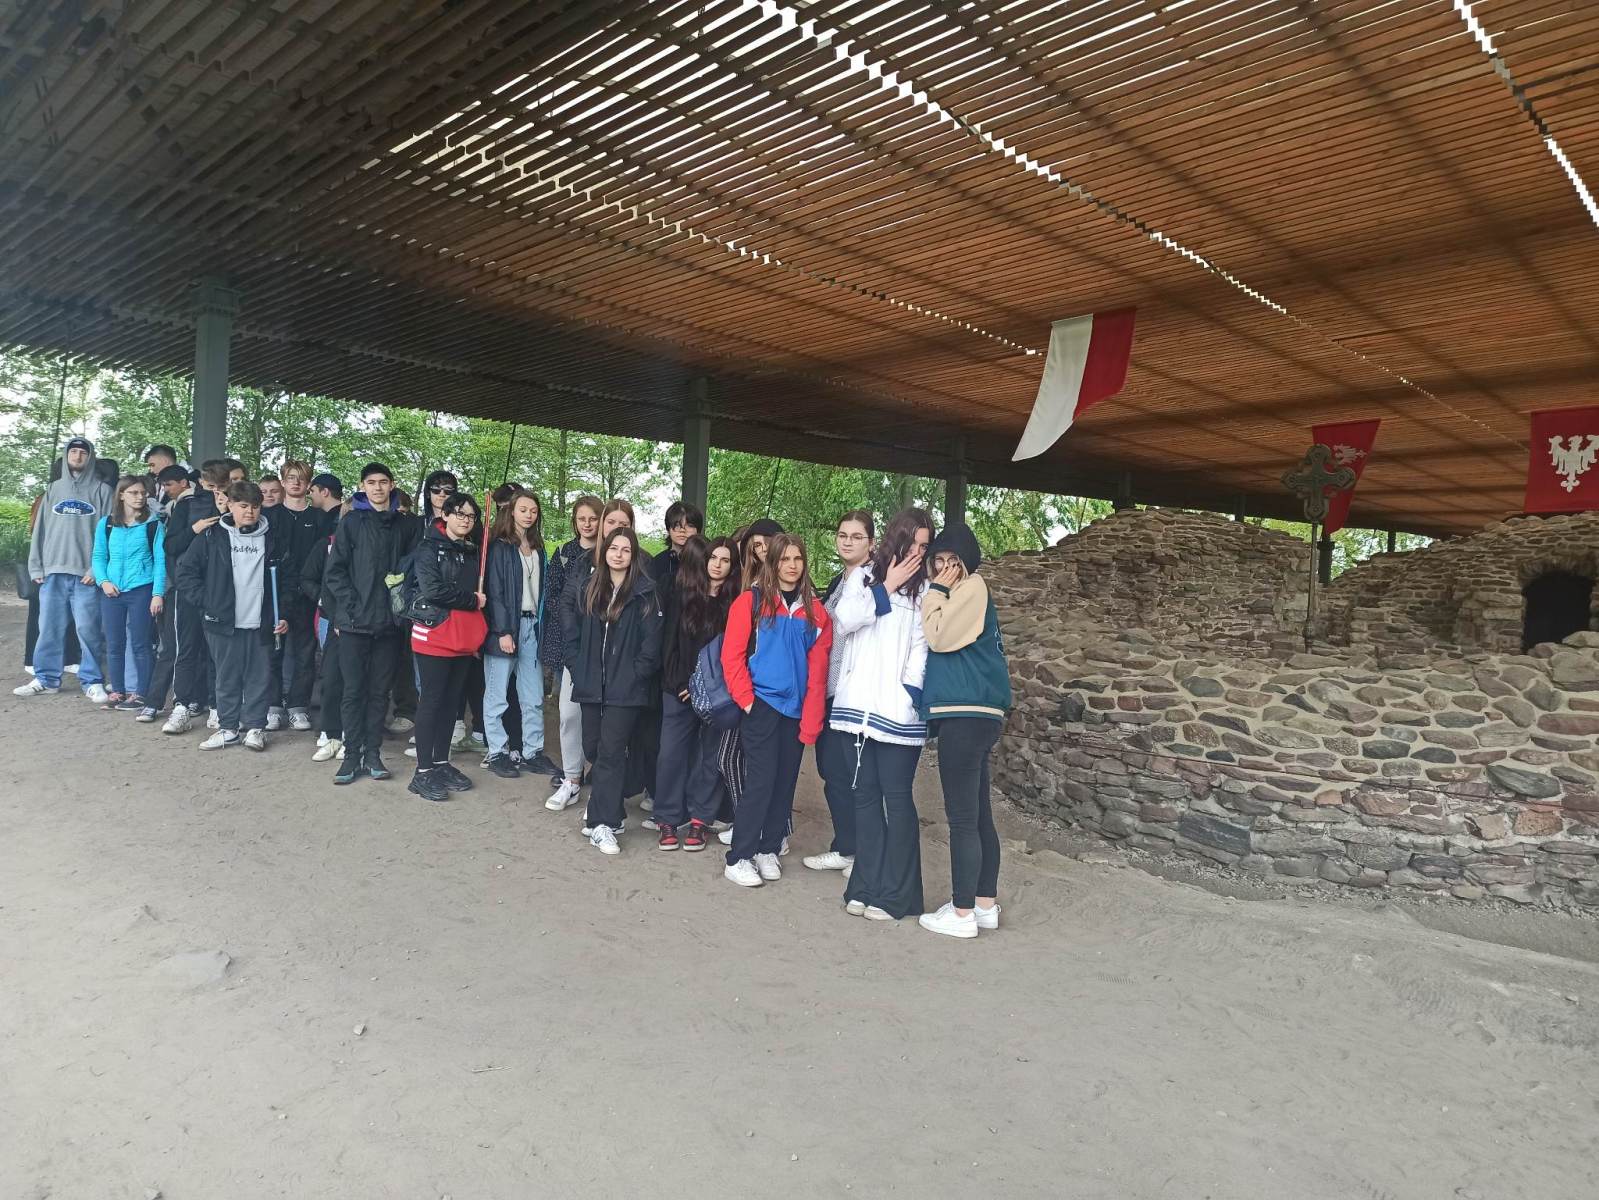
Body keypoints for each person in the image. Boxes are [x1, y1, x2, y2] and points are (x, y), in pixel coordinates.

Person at [917, 523, 1013, 938]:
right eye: (937, 562)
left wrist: (935, 590)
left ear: (966, 562)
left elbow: (938, 637)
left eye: (952, 561)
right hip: (978, 714)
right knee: (978, 814)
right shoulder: (969, 591)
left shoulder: (970, 587)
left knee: (961, 819)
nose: (944, 569)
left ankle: (960, 914)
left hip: (964, 712)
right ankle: (984, 904)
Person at [720, 533, 832, 888]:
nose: (792, 565)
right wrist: (748, 701)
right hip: (762, 706)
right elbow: (731, 656)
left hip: (795, 712)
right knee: (761, 782)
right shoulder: (750, 603)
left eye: (798, 558)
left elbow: (818, 673)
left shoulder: (816, 612)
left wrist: (811, 719)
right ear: (773, 562)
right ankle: (739, 856)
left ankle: (768, 849)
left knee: (785, 784)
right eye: (785, 559)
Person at [838, 509, 933, 921]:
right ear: (896, 538)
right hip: (854, 709)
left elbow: (922, 650)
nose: (918, 552)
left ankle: (898, 895)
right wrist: (887, 586)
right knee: (863, 799)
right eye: (913, 542)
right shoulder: (863, 578)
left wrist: (908, 697)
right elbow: (844, 621)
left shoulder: (927, 589)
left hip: (897, 714)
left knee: (897, 800)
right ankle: (865, 884)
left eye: (925, 545)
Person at [563, 526, 662, 855]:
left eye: (626, 550)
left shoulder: (645, 592)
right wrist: (577, 666)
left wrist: (636, 675)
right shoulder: (589, 587)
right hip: (591, 683)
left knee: (610, 751)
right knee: (592, 747)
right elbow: (572, 630)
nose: (618, 555)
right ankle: (613, 811)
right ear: (604, 552)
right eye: (613, 548)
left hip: (626, 688)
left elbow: (652, 642)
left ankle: (601, 824)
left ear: (634, 556)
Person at [325, 462, 421, 784]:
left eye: (383, 482)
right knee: (353, 691)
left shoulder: (406, 525)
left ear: (392, 485)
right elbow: (335, 571)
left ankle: (373, 754)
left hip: (390, 624)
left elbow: (413, 570)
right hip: (354, 623)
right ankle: (352, 755)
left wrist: (400, 606)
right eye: (371, 482)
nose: (377, 487)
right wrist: (351, 606)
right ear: (362, 486)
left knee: (380, 692)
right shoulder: (351, 522)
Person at [176, 480, 288, 751]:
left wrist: (283, 613)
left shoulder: (273, 537)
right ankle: (228, 729)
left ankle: (256, 728)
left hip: (262, 621)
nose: (250, 511)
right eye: (244, 506)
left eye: (255, 506)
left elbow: (288, 580)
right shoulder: (211, 536)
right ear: (230, 505)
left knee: (260, 677)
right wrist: (208, 602)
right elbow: (185, 572)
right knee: (226, 677)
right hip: (222, 621)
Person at [803, 509, 875, 875]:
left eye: (856, 536)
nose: (847, 541)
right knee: (832, 772)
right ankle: (847, 846)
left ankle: (866, 854)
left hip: (856, 694)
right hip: (830, 693)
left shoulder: (874, 583)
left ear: (871, 543)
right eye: (843, 535)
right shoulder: (837, 582)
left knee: (856, 775)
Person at [15, 436, 113, 704]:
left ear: (90, 457)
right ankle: (46, 679)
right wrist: (36, 565)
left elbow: (109, 534)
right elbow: (40, 531)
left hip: (86, 576)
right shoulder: (53, 490)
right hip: (53, 573)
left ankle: (92, 681)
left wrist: (97, 569)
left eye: (83, 452)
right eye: (73, 451)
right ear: (66, 455)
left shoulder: (103, 491)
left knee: (89, 631)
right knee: (47, 629)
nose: (78, 456)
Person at [654, 534, 736, 851]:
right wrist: (682, 684)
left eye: (725, 560)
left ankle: (700, 820)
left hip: (718, 696)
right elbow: (668, 645)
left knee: (710, 757)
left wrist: (714, 689)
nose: (717, 564)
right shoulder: (683, 595)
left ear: (732, 566)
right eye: (713, 557)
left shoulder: (736, 604)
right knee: (670, 755)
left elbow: (737, 653)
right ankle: (667, 818)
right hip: (680, 689)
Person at [407, 492, 489, 802]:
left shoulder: (470, 550)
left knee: (452, 704)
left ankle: (441, 762)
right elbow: (433, 590)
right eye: (460, 514)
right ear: (445, 515)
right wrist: (472, 600)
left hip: (463, 638)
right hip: (435, 633)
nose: (466, 520)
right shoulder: (428, 548)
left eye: (471, 516)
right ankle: (423, 770)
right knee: (432, 701)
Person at [483, 488, 560, 779]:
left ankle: (532, 751)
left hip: (532, 627)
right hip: (506, 627)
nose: (529, 515)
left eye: (534, 511)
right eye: (523, 509)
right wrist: (503, 630)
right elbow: (496, 591)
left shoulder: (538, 548)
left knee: (533, 696)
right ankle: (497, 751)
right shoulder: (499, 546)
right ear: (512, 511)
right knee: (497, 694)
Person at [158, 459, 230, 733]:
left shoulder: (236, 507)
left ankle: (216, 706)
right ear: (201, 483)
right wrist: (194, 529)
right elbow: (170, 546)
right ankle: (181, 706)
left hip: (221, 592)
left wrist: (225, 514)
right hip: (188, 589)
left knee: (215, 653)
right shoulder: (187, 505)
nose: (216, 493)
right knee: (186, 649)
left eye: (221, 487)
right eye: (211, 487)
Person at [541, 494, 601, 809]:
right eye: (582, 519)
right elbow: (552, 594)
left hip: (605, 647)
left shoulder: (611, 553)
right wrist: (574, 621)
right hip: (572, 645)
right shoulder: (565, 553)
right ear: (574, 522)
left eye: (593, 518)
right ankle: (572, 778)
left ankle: (601, 779)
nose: (587, 524)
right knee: (568, 714)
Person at [92, 475, 165, 711]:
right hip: (112, 591)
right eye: (134, 492)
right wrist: (103, 581)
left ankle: (141, 693)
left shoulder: (153, 524)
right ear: (121, 495)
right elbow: (98, 556)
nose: (140, 497)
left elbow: (160, 561)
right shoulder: (106, 524)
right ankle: (118, 691)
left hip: (141, 589)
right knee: (114, 643)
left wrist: (157, 593)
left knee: (141, 643)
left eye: (143, 493)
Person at [264, 459, 320, 732]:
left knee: (305, 653)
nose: (296, 483)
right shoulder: (269, 516)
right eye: (290, 478)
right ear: (283, 482)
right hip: (275, 593)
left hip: (308, 596)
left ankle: (298, 707)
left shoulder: (320, 518)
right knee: (273, 651)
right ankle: (273, 707)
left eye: (301, 478)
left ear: (308, 484)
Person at [140, 464, 194, 721]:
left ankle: (164, 702)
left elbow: (171, 547)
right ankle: (158, 701)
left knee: (175, 648)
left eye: (169, 485)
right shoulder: (171, 509)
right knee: (173, 647)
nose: (166, 490)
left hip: (180, 587)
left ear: (184, 482)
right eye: (163, 486)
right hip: (174, 588)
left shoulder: (187, 506)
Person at [302, 498, 348, 762]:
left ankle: (351, 732)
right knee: (330, 676)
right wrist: (322, 598)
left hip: (360, 622)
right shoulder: (326, 545)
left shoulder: (373, 546)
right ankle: (330, 731)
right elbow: (307, 578)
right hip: (328, 620)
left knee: (356, 680)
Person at [646, 500, 704, 585]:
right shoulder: (656, 563)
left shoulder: (707, 560)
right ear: (668, 529)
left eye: (689, 525)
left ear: (698, 531)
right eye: (677, 525)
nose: (682, 530)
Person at [738, 518, 784, 589]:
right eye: (757, 545)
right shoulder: (752, 588)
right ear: (753, 551)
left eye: (768, 542)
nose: (764, 549)